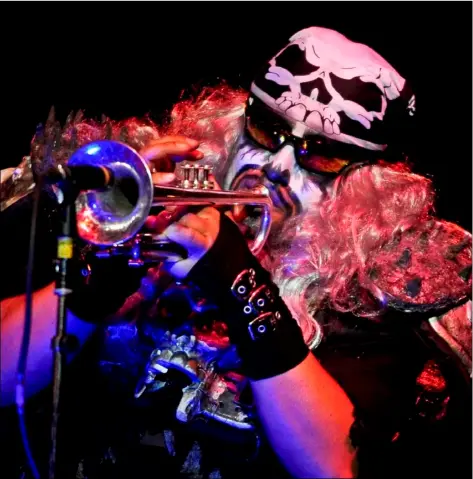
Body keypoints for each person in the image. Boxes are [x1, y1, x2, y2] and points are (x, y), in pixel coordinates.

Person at [1, 27, 471, 479]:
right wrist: (101, 277)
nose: (278, 169)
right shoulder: (130, 203)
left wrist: (237, 279)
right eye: (267, 130)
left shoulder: (371, 294)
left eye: (322, 155)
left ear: (369, 183)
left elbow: (333, 466)